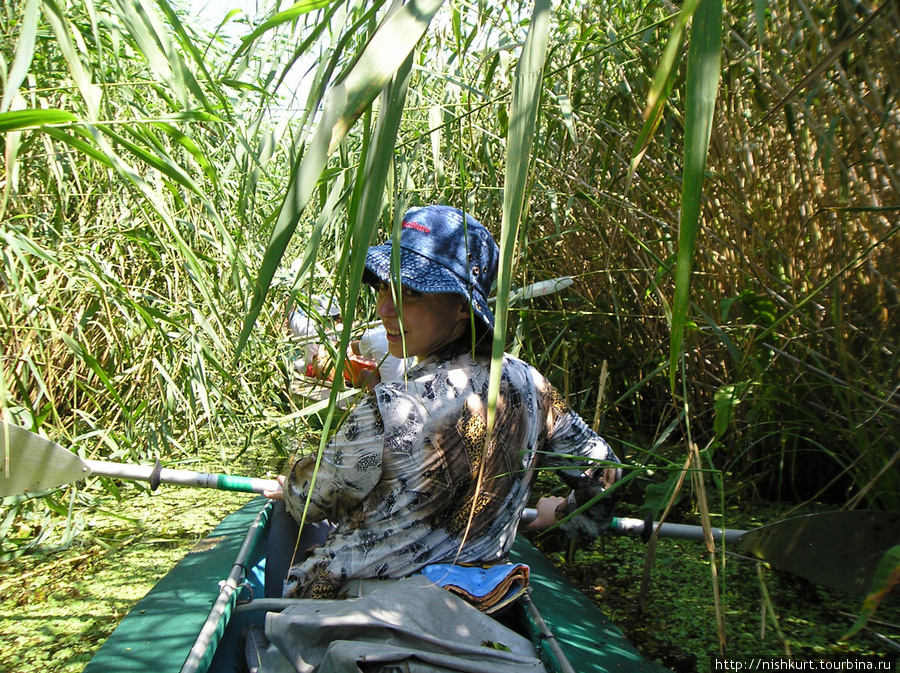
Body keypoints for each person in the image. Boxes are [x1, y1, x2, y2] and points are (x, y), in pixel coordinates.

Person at [264, 204, 622, 600]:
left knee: (284, 520)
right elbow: (604, 473)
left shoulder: (391, 406)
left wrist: (294, 483)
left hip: (362, 610)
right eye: (383, 286)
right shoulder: (534, 386)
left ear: (464, 307)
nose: (384, 309)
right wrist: (563, 523)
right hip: (471, 602)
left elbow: (312, 501)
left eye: (411, 293)